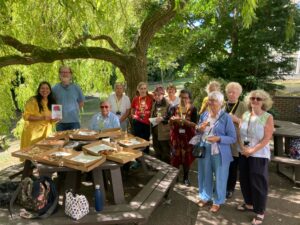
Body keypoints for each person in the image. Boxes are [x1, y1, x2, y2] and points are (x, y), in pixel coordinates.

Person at [237, 90, 274, 225]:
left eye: (258, 99)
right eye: (252, 98)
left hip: (259, 154)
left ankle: (260, 211)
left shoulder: (267, 117)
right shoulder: (246, 114)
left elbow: (266, 138)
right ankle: (249, 203)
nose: (255, 101)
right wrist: (243, 148)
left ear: (264, 101)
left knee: (258, 182)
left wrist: (252, 150)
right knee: (244, 179)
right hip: (244, 152)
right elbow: (240, 133)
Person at [197, 91, 236, 213]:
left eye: (213, 100)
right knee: (204, 174)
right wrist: (200, 129)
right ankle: (205, 196)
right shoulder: (204, 115)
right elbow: (198, 131)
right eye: (209, 100)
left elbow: (232, 137)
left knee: (220, 177)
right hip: (205, 148)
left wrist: (218, 138)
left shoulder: (226, 117)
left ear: (220, 103)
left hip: (220, 152)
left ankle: (218, 201)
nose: (210, 102)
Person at [224, 82, 247, 199]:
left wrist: (236, 119)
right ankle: (222, 185)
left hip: (236, 141)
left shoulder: (243, 106)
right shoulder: (222, 105)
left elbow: (249, 124)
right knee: (223, 164)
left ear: (239, 94)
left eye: (235, 92)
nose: (232, 94)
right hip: (222, 141)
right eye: (230, 92)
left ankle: (230, 188)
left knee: (232, 166)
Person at [169, 89, 197, 186]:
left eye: (186, 98)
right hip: (176, 136)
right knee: (175, 157)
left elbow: (195, 125)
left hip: (188, 137)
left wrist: (185, 122)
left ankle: (185, 178)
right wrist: (172, 120)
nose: (183, 99)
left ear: (189, 99)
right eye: (181, 97)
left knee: (187, 158)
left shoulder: (193, 109)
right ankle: (175, 177)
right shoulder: (174, 108)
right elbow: (170, 122)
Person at [20, 81, 57, 149]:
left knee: (44, 154)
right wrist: (42, 118)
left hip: (47, 132)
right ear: (39, 90)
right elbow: (26, 116)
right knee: (32, 154)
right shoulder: (32, 100)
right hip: (33, 133)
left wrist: (56, 119)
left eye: (47, 88)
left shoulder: (52, 101)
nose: (45, 90)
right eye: (42, 88)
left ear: (50, 90)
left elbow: (52, 120)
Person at [52, 66, 85, 131]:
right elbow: (53, 103)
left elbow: (81, 102)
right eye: (62, 72)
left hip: (74, 121)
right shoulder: (54, 89)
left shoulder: (76, 88)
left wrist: (73, 110)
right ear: (59, 74)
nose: (65, 74)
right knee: (61, 141)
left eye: (67, 72)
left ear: (70, 74)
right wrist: (56, 116)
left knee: (75, 141)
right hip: (60, 123)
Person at [150, 86, 171, 164]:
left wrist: (162, 118)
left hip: (164, 133)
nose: (157, 96)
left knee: (166, 152)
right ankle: (160, 167)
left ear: (163, 94)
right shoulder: (155, 103)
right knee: (157, 151)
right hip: (155, 132)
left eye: (159, 95)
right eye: (155, 95)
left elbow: (170, 117)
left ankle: (168, 169)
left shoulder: (168, 104)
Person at [131, 82, 153, 154]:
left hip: (147, 122)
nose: (143, 90)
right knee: (137, 140)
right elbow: (133, 108)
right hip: (137, 122)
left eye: (144, 88)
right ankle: (138, 158)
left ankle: (147, 157)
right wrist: (132, 115)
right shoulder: (136, 99)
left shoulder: (151, 98)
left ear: (146, 89)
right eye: (141, 89)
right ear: (138, 89)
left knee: (146, 140)